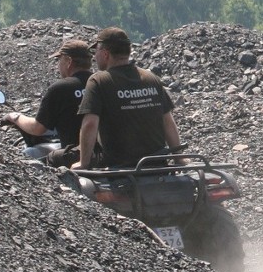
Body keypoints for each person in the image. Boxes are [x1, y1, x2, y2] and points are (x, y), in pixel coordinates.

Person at [73, 26, 182, 170]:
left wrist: (83, 163)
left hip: (121, 169)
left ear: (105, 54)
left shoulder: (99, 81)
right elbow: (168, 122)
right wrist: (179, 159)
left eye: (96, 51)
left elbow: (90, 124)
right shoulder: (151, 78)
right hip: (157, 166)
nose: (94, 57)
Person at [3, 38, 93, 168]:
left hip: (73, 154)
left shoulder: (60, 88)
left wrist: (15, 117)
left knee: (31, 157)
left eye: (59, 60)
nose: (58, 65)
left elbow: (37, 128)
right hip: (103, 153)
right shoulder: (100, 83)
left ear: (68, 61)